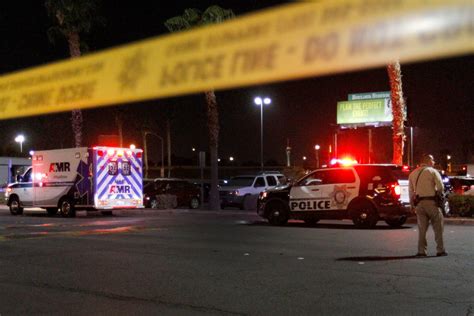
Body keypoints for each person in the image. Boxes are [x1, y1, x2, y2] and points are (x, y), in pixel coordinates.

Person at [409, 154, 447, 257]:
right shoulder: (433, 171)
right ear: (429, 161)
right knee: (438, 227)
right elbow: (440, 187)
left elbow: (411, 192)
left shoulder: (413, 173)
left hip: (419, 204)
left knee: (422, 229)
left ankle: (421, 251)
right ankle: (440, 250)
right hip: (432, 203)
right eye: (433, 160)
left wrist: (412, 205)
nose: (434, 162)